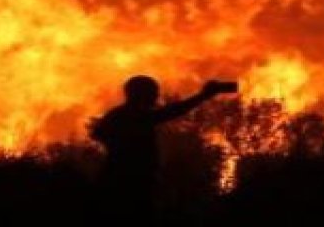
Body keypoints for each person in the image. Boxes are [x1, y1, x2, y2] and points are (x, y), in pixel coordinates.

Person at [90, 76, 235, 222]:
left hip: (126, 181)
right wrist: (203, 96)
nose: (156, 96)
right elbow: (173, 111)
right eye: (153, 92)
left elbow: (98, 134)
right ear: (141, 94)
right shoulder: (134, 115)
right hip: (129, 184)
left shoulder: (120, 115)